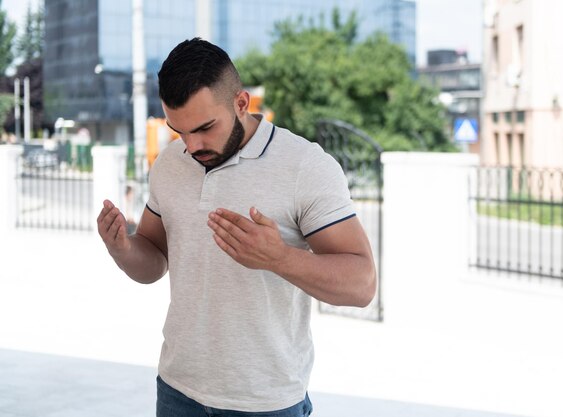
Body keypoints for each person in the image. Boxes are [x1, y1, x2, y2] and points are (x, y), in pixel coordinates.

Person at [97, 38, 376, 417]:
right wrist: (123, 249)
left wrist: (279, 258)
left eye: (205, 127)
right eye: (179, 130)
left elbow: (362, 285)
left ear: (241, 103)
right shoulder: (169, 163)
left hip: (266, 402)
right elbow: (154, 262)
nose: (192, 145)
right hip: (178, 390)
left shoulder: (304, 166)